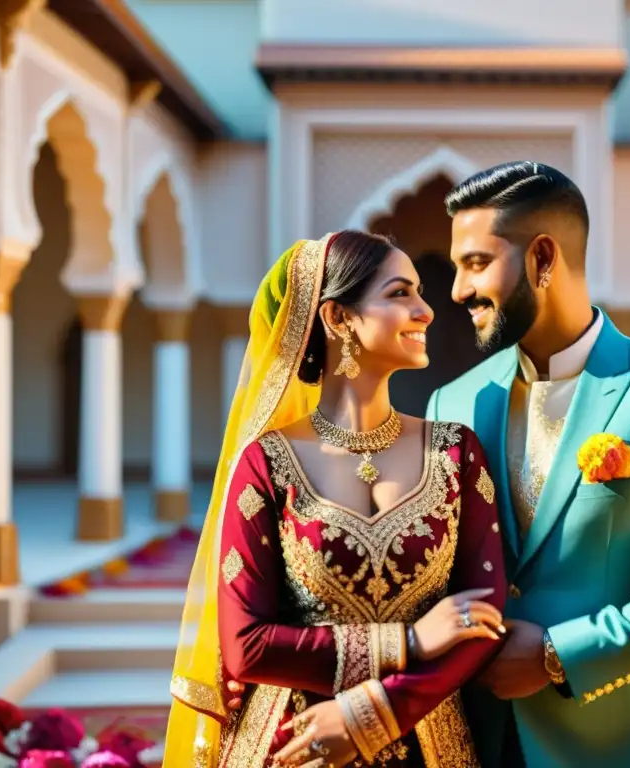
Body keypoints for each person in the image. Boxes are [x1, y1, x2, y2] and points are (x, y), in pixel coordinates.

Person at [426, 161, 630, 767]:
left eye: (476, 263)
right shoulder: (453, 402)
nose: (456, 290)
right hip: (476, 736)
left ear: (543, 259)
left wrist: (562, 653)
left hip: (622, 739)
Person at [163, 231, 509, 768]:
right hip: (294, 744)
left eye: (419, 292)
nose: (426, 311)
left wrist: (379, 712)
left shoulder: (456, 453)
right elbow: (246, 645)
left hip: (428, 739)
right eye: (400, 294)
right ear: (338, 318)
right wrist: (409, 643)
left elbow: (484, 617)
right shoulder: (266, 464)